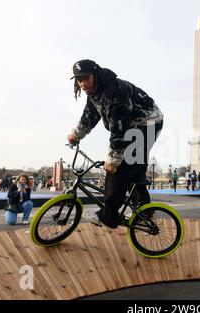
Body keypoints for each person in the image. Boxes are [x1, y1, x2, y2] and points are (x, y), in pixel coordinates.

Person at [67, 59, 163, 229]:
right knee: (133, 168)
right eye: (78, 80)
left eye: (85, 78)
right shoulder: (94, 93)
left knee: (119, 168)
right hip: (133, 125)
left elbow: (119, 129)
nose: (82, 84)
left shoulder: (114, 92)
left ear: (95, 75)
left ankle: (107, 216)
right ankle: (145, 209)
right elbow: (89, 116)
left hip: (147, 123)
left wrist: (113, 159)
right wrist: (77, 134)